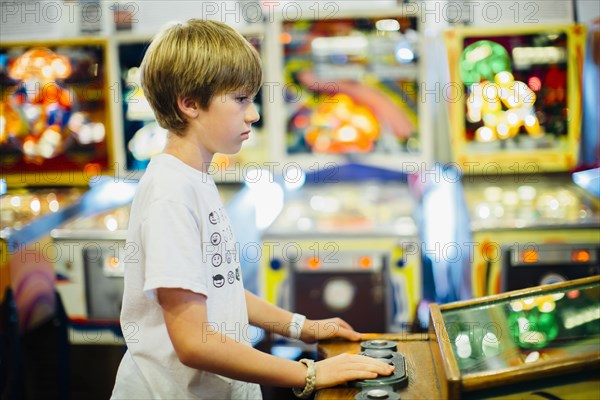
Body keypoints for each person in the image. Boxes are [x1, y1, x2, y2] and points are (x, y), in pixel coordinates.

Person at [110, 19, 394, 399]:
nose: (253, 114)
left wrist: (301, 327)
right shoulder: (170, 195)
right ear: (189, 103)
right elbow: (194, 342)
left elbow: (217, 287)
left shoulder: (193, 178)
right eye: (241, 100)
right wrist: (308, 373)